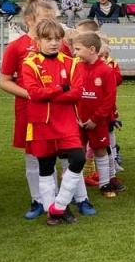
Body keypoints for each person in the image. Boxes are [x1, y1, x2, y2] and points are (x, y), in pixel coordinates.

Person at [19, 19, 92, 227]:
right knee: (46, 166)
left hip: (67, 121)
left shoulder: (71, 62)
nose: (53, 43)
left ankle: (59, 205)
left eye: (58, 39)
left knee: (78, 158)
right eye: (48, 39)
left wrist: (50, 95)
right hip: (41, 122)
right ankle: (54, 212)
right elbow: (34, 93)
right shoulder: (30, 63)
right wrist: (61, 89)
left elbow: (76, 93)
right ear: (38, 40)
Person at [0, 0, 63, 219]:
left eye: (53, 18)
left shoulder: (61, 45)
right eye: (45, 18)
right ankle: (38, 199)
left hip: (57, 109)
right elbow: (4, 81)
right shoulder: (16, 47)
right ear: (29, 20)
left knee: (57, 152)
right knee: (33, 155)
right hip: (29, 109)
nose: (50, 23)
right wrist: (32, 94)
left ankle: (57, 198)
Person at [69, 31, 120, 199]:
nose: (74, 52)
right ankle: (76, 185)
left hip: (98, 122)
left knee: (100, 151)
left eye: (78, 49)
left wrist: (95, 119)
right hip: (78, 121)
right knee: (78, 153)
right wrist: (75, 116)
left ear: (91, 49)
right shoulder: (76, 67)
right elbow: (72, 93)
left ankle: (105, 184)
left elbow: (109, 99)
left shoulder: (106, 70)